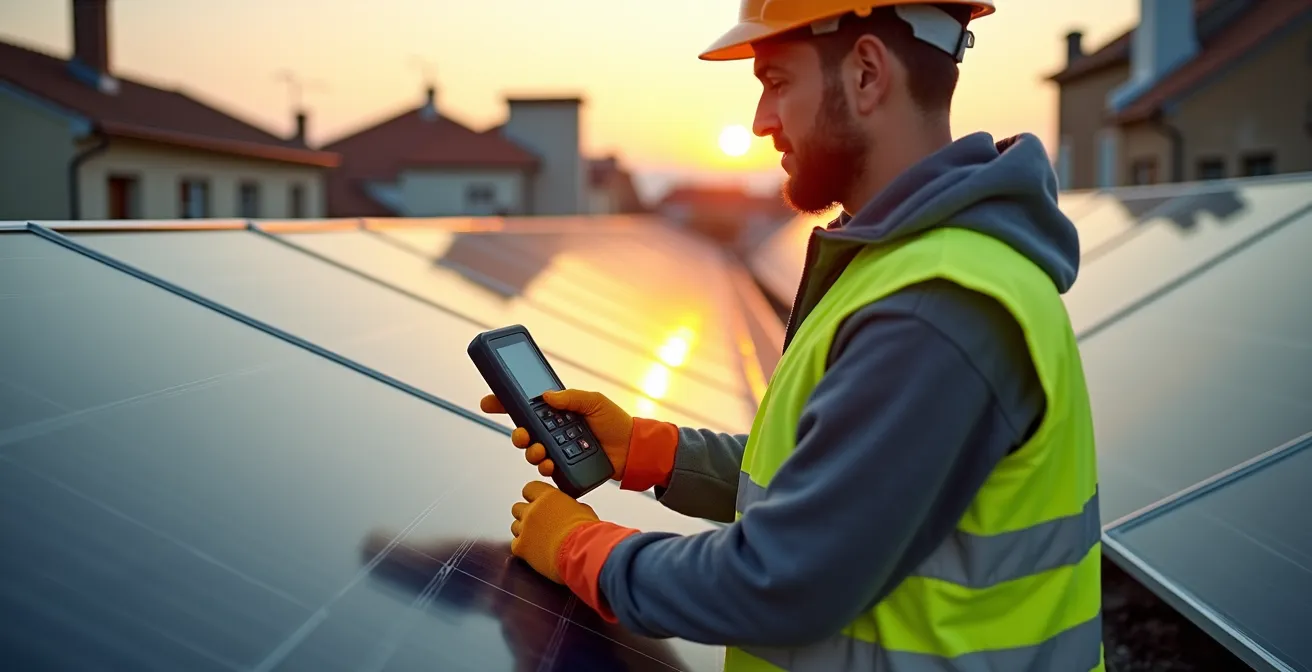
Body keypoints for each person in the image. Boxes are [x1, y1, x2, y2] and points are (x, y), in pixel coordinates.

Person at [481, 1, 1104, 669]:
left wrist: (583, 551)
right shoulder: (906, 262)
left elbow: (781, 579)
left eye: (777, 82)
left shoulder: (935, 304)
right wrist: (648, 450)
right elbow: (837, 481)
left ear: (866, 74)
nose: (760, 121)